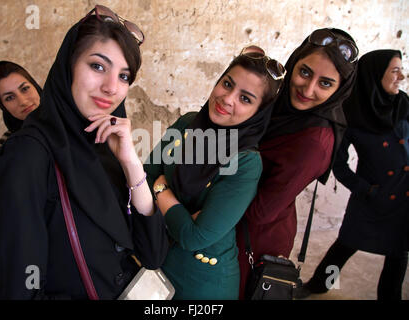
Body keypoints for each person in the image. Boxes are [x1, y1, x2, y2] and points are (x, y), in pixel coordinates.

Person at [0, 5, 168, 299]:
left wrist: (130, 161)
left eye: (123, 76)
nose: (111, 87)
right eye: (97, 66)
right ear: (68, 66)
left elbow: (153, 254)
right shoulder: (27, 154)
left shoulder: (104, 142)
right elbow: (18, 288)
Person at [144, 46, 286, 299]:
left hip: (202, 281)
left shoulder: (246, 163)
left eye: (245, 98)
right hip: (156, 256)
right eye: (227, 84)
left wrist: (161, 190)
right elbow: (146, 173)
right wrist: (181, 213)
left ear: (259, 112)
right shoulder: (188, 123)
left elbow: (194, 237)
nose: (228, 98)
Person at [235, 28, 359, 299]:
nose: (308, 89)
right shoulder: (279, 104)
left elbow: (260, 212)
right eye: (304, 72)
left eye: (325, 83)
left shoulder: (313, 142)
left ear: (340, 90)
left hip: (251, 240)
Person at [299, 49, 408, 300]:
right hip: (372, 198)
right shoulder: (353, 114)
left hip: (403, 196)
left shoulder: (404, 105)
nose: (401, 76)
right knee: (346, 245)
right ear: (375, 74)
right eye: (394, 70)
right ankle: (318, 285)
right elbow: (339, 164)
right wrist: (366, 190)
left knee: (399, 253)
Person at [0, 61, 42, 157]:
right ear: (3, 106)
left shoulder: (71, 122)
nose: (23, 102)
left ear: (35, 87)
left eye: (25, 89)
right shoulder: (7, 148)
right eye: (9, 98)